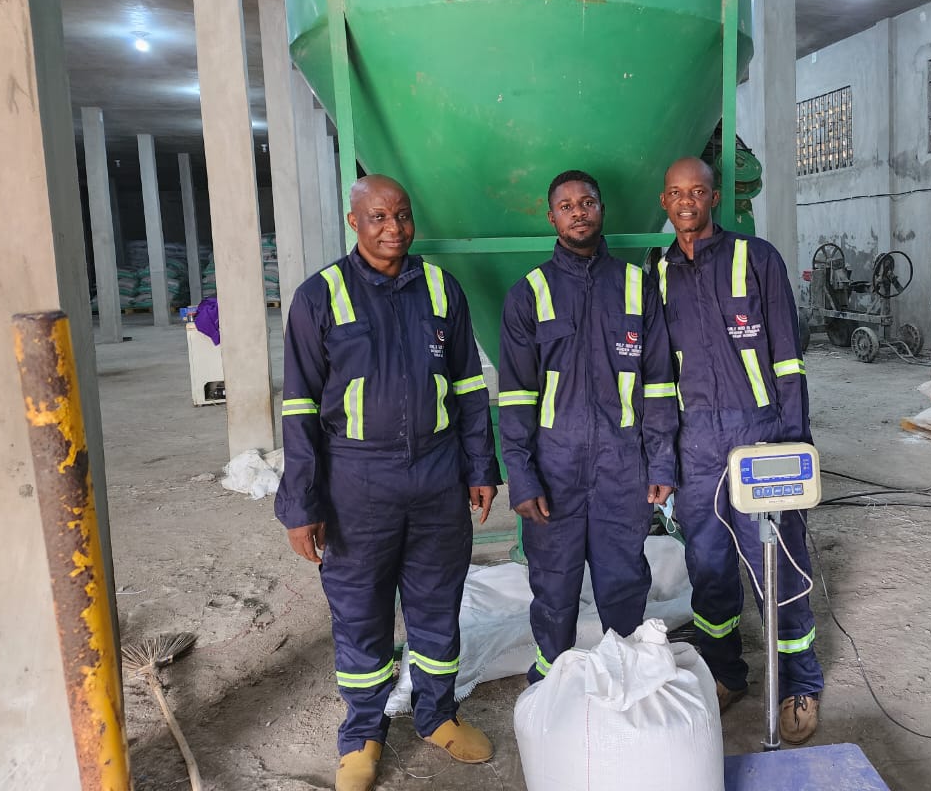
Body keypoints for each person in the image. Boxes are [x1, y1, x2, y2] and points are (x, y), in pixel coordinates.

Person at [276, 175, 499, 791]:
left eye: (401, 215)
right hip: (355, 480)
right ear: (354, 222)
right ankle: (364, 734)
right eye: (377, 217)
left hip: (436, 474)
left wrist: (481, 468)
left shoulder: (439, 288)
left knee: (436, 605)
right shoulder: (318, 297)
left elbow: (470, 388)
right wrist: (302, 502)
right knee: (360, 611)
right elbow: (298, 407)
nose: (393, 228)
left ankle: (437, 716)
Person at [655, 156, 824, 744]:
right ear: (664, 201)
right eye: (677, 193)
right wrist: (663, 457)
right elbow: (656, 376)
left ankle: (800, 681)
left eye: (697, 191)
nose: (687, 202)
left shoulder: (758, 259)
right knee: (708, 565)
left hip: (762, 434)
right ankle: (726, 672)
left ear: (714, 196)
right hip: (695, 443)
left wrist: (796, 442)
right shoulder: (656, 273)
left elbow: (787, 360)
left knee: (779, 562)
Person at [498, 169, 679, 682]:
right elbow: (514, 397)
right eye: (567, 205)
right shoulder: (529, 293)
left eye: (588, 202)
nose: (579, 211)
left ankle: (624, 678)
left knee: (624, 580)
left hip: (623, 467)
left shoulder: (635, 286)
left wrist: (661, 459)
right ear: (551, 215)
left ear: (602, 209)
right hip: (554, 469)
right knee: (554, 586)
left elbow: (659, 383)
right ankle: (551, 682)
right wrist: (523, 476)